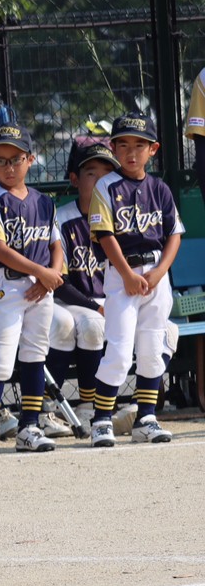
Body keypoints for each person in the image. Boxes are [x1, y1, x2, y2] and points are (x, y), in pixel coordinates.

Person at [0, 123, 64, 458]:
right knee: (2, 359)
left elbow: (55, 244)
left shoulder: (43, 201)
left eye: (15, 159)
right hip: (8, 286)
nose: (8, 167)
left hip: (41, 287)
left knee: (35, 354)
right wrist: (40, 273)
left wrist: (51, 274)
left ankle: (29, 426)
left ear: (30, 159)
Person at [87, 112, 185, 446]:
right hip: (122, 273)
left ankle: (146, 417)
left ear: (153, 149)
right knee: (118, 347)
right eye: (124, 144)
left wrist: (158, 274)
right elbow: (104, 234)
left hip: (156, 274)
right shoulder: (106, 186)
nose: (132, 152)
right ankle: (101, 419)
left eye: (140, 145)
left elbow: (173, 234)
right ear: (112, 147)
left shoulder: (160, 188)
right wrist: (128, 274)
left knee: (152, 346)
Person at [47, 137, 120, 427]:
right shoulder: (62, 218)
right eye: (92, 174)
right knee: (91, 324)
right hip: (71, 301)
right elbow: (60, 283)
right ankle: (83, 405)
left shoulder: (122, 216)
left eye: (106, 174)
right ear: (75, 179)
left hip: (111, 299)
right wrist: (96, 307)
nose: (100, 181)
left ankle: (139, 404)